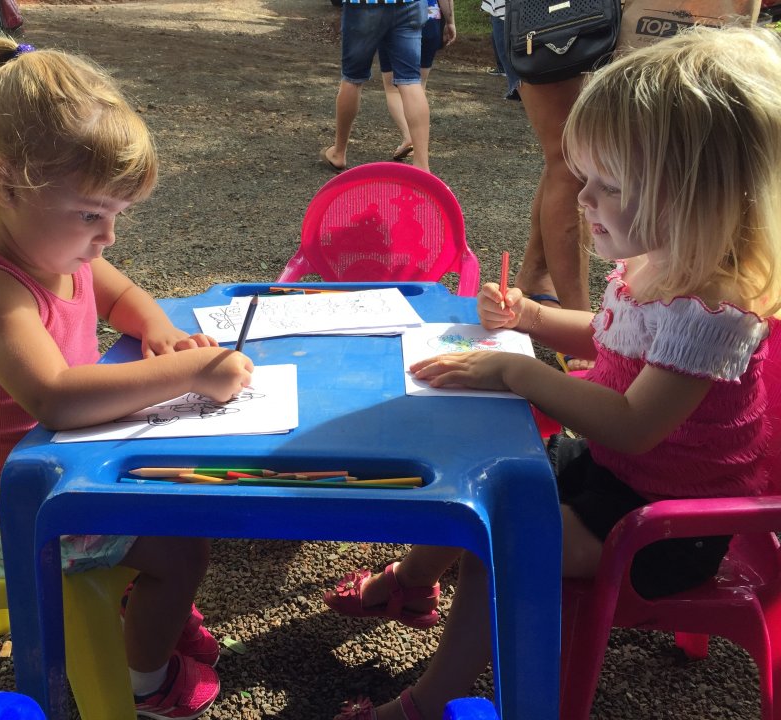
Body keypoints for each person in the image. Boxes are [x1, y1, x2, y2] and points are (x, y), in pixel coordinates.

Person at [327, 26, 781, 720]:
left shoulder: (713, 311)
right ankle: (411, 584)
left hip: (663, 524)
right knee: (485, 480)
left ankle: (426, 702)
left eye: (609, 185)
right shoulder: (658, 264)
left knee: (500, 540)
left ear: (699, 198)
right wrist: (532, 318)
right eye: (585, 178)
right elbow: (613, 338)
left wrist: (519, 374)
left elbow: (633, 424)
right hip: (614, 475)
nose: (583, 199)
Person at [0, 36, 253, 720]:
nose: (106, 238)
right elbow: (54, 397)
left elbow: (122, 296)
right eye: (91, 215)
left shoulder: (60, 251)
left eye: (116, 216)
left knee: (188, 497)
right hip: (13, 512)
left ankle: (151, 610)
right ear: (7, 182)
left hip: (69, 471)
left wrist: (157, 330)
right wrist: (189, 368)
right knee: (182, 549)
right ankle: (146, 681)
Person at [321, 0, 431, 173]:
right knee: (410, 81)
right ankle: (422, 167)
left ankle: (338, 153)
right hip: (410, 4)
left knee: (352, 79)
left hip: (363, 5)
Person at [379, 0, 456, 162]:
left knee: (392, 88)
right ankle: (419, 144)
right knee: (418, 85)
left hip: (392, 18)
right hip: (429, 18)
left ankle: (408, 136)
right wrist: (450, 22)